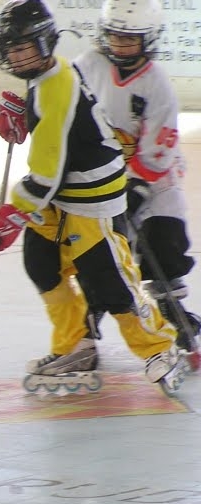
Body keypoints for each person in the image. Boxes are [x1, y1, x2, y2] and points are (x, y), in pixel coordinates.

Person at [0, 0, 183, 393]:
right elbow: (55, 136)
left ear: (45, 44)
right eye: (12, 49)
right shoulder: (54, 76)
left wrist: (14, 212)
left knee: (107, 278)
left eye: (26, 47)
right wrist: (24, 117)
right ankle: (75, 343)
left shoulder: (56, 86)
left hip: (91, 194)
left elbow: (47, 169)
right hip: (59, 194)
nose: (19, 57)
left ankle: (159, 347)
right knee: (41, 264)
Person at [72, 0, 200, 360]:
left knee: (164, 242)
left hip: (153, 180)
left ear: (149, 39)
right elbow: (61, 107)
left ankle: (174, 313)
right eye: (114, 36)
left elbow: (158, 148)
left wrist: (136, 187)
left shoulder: (157, 85)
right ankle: (86, 320)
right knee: (94, 252)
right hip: (100, 178)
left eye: (130, 39)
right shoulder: (86, 66)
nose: (120, 45)